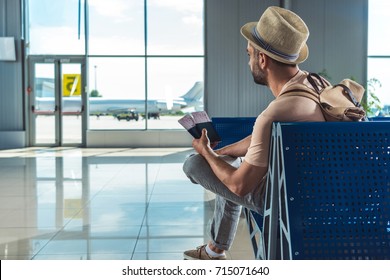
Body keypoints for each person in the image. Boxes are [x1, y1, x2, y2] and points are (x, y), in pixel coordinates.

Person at [182, 6, 325, 260]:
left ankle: (215, 249)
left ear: (262, 59)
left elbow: (239, 186)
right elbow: (262, 140)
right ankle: (215, 249)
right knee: (229, 162)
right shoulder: (316, 85)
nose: (248, 61)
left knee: (194, 164)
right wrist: (220, 153)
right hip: (326, 192)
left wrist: (204, 152)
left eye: (249, 54)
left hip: (290, 202)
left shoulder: (274, 114)